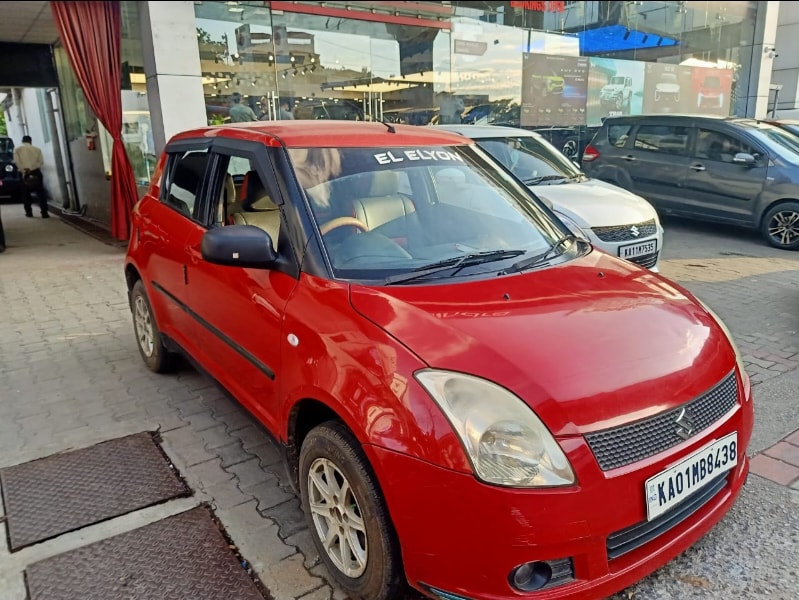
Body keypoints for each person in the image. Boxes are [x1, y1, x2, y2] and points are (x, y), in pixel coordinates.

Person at [13, 135, 49, 218]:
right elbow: (40, 162)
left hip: (24, 173)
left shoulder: (17, 150)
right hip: (36, 172)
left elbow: (17, 162)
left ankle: (29, 212)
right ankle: (44, 213)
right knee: (40, 193)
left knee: (26, 194)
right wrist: (32, 168)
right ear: (30, 141)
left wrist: (24, 170)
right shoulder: (37, 149)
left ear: (22, 141)